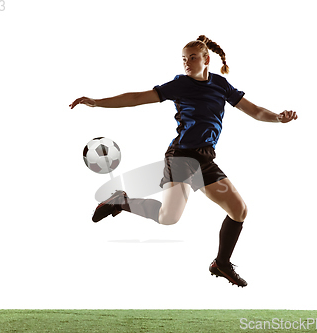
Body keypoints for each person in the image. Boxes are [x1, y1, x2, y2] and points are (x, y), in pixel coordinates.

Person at [69, 35, 298, 287]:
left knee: (239, 210)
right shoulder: (180, 84)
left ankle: (221, 264)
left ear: (206, 59)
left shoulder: (221, 85)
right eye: (183, 59)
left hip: (206, 159)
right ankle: (121, 202)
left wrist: (278, 117)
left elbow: (254, 111)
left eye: (192, 58)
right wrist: (97, 103)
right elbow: (137, 98)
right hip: (181, 157)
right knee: (169, 218)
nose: (187, 63)